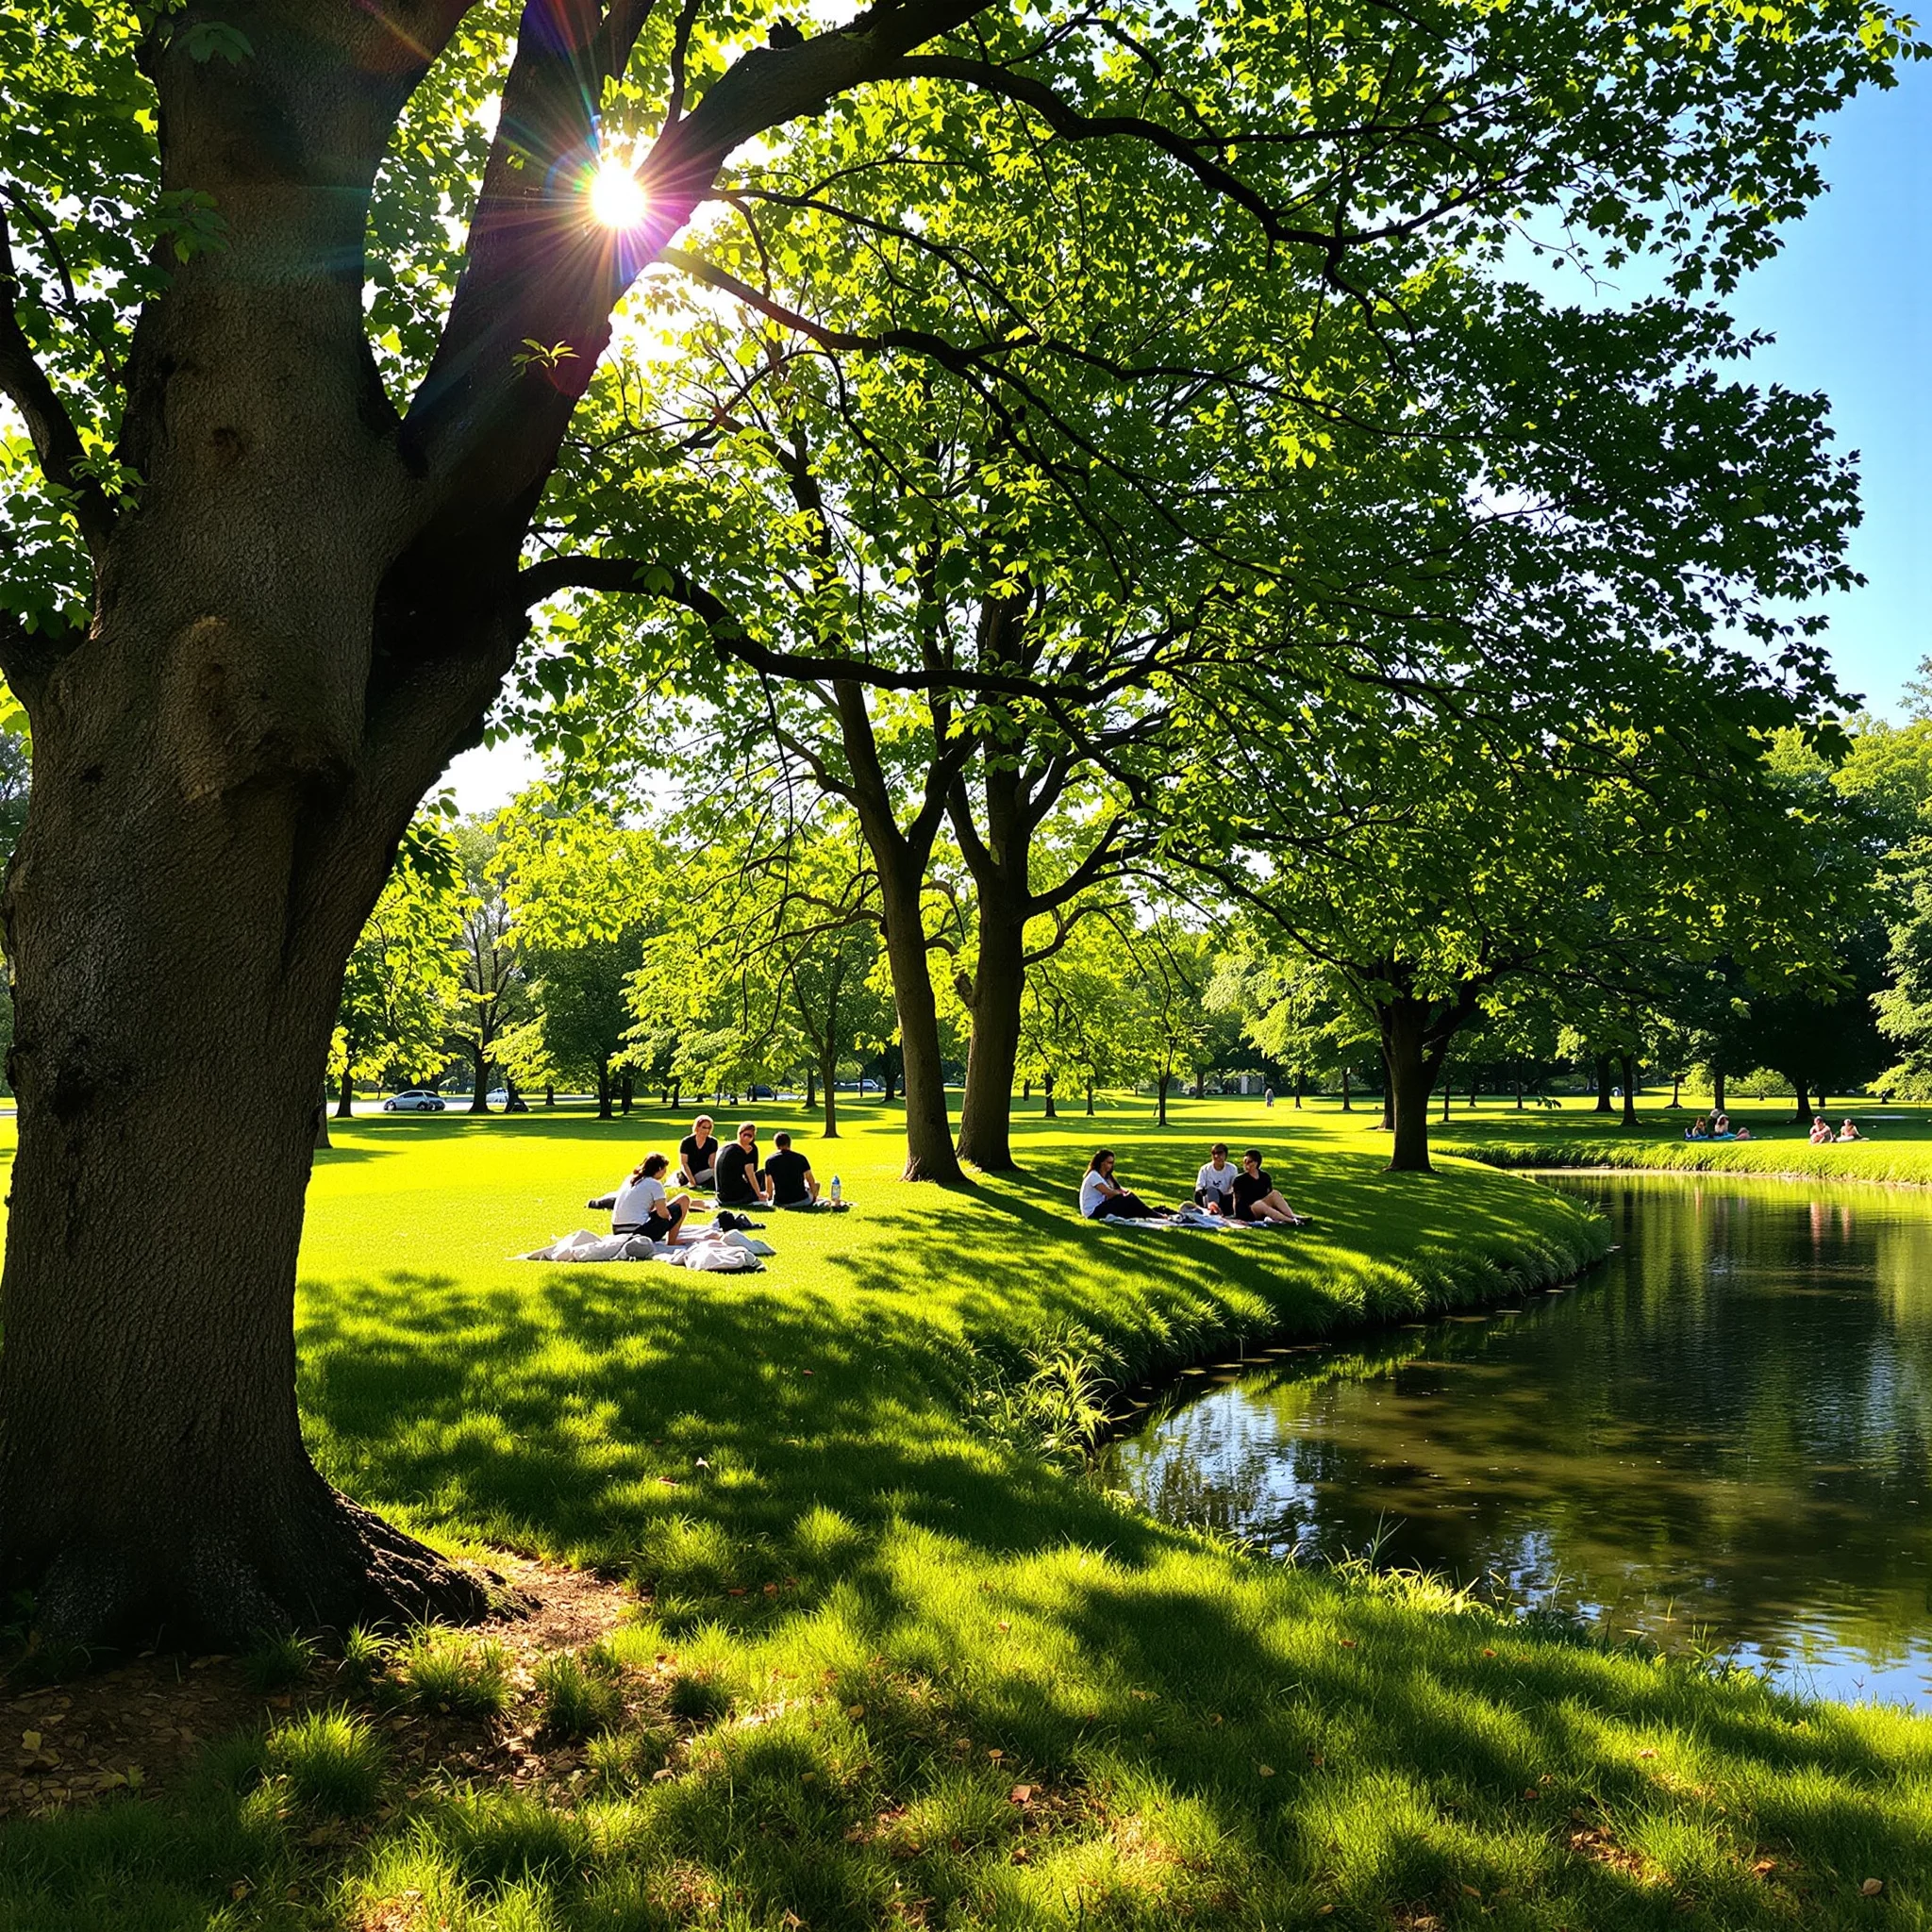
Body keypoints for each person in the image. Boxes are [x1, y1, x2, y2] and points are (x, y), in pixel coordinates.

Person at [612, 1152, 695, 1245]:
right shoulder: (654, 1184)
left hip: (617, 1230)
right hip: (638, 1232)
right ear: (659, 1169)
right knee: (684, 1200)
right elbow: (663, 1214)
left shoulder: (630, 1179)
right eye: (664, 1169)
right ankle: (672, 1241)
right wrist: (671, 1216)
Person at [1079, 1148, 1164, 1221]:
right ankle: (1156, 1215)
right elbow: (1107, 1192)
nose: (1111, 1165)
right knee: (1127, 1200)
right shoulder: (1094, 1175)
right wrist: (1121, 1193)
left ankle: (1156, 1213)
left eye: (1112, 1163)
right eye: (1109, 1163)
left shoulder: (1106, 1177)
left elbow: (1117, 1189)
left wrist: (1125, 1193)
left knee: (1130, 1201)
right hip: (1092, 1212)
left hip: (1101, 1207)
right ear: (1102, 1163)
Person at [1230, 1148, 1304, 1225]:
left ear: (1256, 1163)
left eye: (1248, 1162)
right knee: (1259, 1204)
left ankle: (1292, 1215)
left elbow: (1269, 1194)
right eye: (1244, 1162)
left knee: (1275, 1193)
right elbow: (1236, 1199)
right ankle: (1290, 1221)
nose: (1245, 1165)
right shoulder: (1239, 1180)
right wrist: (1237, 1215)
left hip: (1264, 1205)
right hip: (1249, 1210)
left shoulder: (1264, 1177)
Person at [715, 1122, 771, 1208]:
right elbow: (750, 1174)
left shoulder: (727, 1147)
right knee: (761, 1176)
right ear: (740, 1134)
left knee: (761, 1174)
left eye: (750, 1136)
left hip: (722, 1195)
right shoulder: (737, 1151)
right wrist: (758, 1194)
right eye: (745, 1135)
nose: (746, 1138)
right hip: (733, 1195)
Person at [761, 1130, 819, 1208]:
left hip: (780, 1202)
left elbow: (769, 1186)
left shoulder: (770, 1161)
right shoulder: (801, 1158)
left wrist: (770, 1199)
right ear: (789, 1143)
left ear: (776, 1145)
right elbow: (811, 1181)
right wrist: (814, 1198)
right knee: (817, 1184)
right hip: (802, 1201)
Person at [1195, 1142, 1239, 1215]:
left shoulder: (1232, 1168)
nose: (1216, 1156)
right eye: (1214, 1154)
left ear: (1225, 1155)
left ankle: (1219, 1210)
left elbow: (1234, 1187)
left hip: (1225, 1198)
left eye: (1220, 1154)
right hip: (1209, 1198)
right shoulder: (1205, 1169)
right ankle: (1213, 1208)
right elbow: (1199, 1187)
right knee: (1212, 1190)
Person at [678, 1115, 721, 1188]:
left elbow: (712, 1164)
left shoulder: (712, 1142)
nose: (706, 1130)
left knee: (717, 1171)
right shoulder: (687, 1142)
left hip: (703, 1173)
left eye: (709, 1128)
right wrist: (691, 1180)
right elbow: (684, 1163)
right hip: (688, 1174)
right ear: (697, 1127)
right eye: (704, 1127)